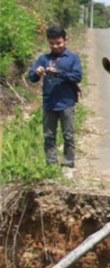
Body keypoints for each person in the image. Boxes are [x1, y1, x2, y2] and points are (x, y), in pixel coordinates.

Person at [28, 26, 83, 177]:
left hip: (67, 102)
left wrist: (58, 74)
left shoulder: (73, 59)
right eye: (52, 43)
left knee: (68, 135)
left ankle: (68, 165)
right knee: (49, 136)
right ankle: (51, 165)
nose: (55, 46)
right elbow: (31, 77)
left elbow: (77, 77)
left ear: (65, 41)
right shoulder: (43, 59)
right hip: (49, 103)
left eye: (58, 43)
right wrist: (37, 72)